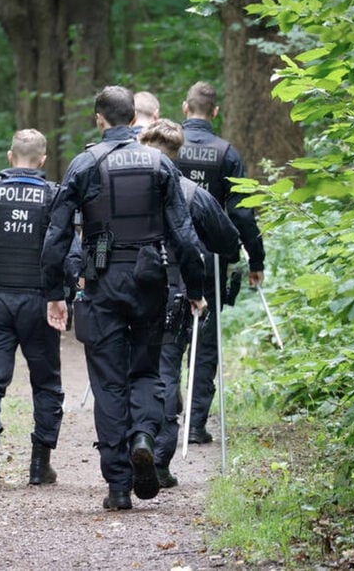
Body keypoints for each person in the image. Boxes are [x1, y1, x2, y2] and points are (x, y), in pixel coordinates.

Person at [41, 86, 207, 511]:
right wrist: (195, 288)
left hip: (102, 282)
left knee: (108, 381)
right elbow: (184, 234)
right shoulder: (159, 164)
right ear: (134, 119)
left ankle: (117, 486)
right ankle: (145, 437)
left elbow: (57, 234)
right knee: (147, 369)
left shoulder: (84, 163)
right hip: (151, 281)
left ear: (100, 119)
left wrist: (55, 293)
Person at [0, 129, 81, 491]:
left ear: (10, 156)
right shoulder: (55, 196)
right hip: (39, 301)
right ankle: (40, 464)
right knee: (46, 381)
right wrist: (67, 294)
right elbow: (70, 250)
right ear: (42, 160)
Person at [137, 119, 241, 488]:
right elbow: (229, 242)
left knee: (127, 373)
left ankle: (130, 450)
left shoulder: (122, 188)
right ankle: (159, 456)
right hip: (177, 294)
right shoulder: (194, 195)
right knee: (165, 371)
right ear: (177, 155)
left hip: (126, 293)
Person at [177, 81, 266, 445]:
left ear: (185, 108)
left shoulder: (168, 146)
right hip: (211, 259)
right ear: (215, 112)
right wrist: (255, 259)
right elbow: (242, 215)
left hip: (169, 256)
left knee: (168, 339)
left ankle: (168, 415)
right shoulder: (227, 153)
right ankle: (195, 424)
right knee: (205, 342)